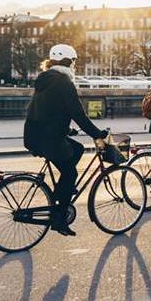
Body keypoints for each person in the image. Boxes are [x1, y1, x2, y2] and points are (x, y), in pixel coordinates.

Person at [23, 44, 108, 236]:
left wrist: (66, 129)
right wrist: (97, 134)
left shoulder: (44, 79)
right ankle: (59, 218)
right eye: (74, 62)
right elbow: (78, 114)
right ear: (69, 62)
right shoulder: (63, 81)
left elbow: (47, 109)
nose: (75, 66)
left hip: (34, 135)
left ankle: (60, 193)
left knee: (76, 149)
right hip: (49, 139)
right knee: (70, 173)